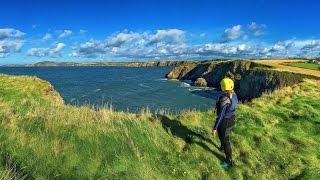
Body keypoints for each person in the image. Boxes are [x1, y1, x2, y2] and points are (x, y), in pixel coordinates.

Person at [212, 77, 238, 168]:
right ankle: (222, 148)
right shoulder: (234, 95)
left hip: (225, 122)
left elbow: (221, 116)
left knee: (225, 140)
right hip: (232, 119)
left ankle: (229, 161)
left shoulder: (224, 100)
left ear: (223, 87)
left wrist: (215, 128)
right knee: (223, 136)